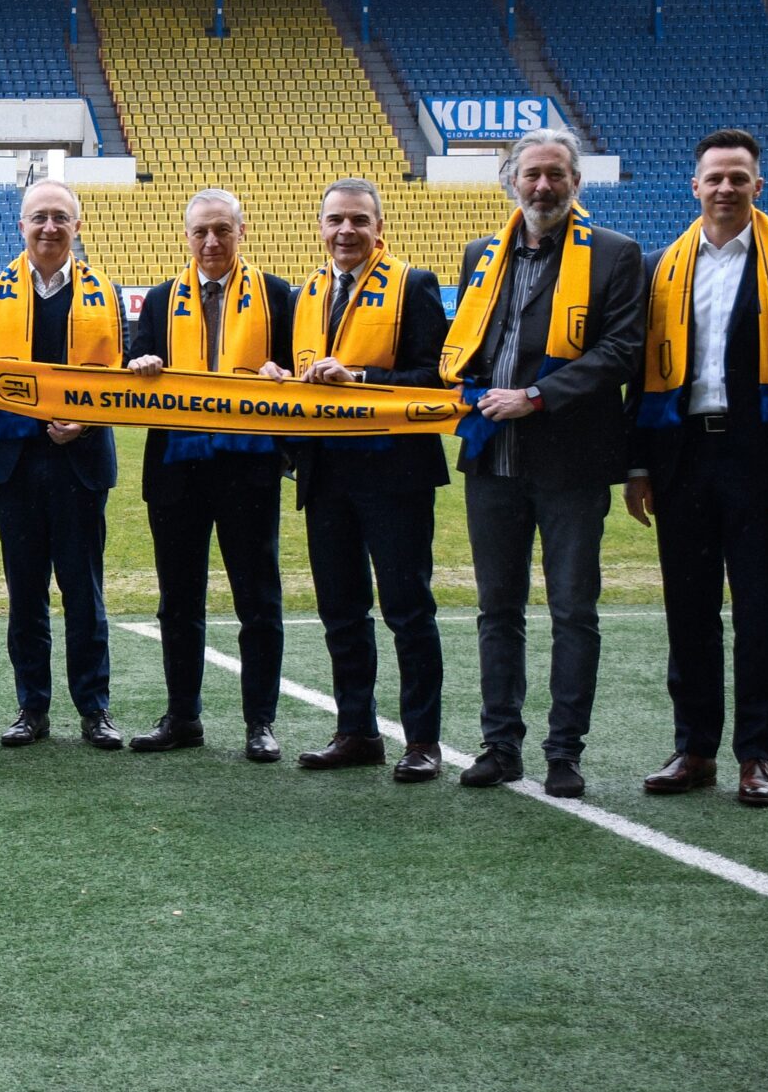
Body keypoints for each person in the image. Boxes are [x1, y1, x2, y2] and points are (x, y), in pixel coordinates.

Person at [626, 129, 768, 808]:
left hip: (760, 460)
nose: (725, 187)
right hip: (680, 457)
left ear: (757, 186)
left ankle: (756, 755)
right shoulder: (658, 266)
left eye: (738, 177)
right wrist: (637, 464)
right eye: (714, 177)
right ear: (695, 186)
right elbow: (638, 375)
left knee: (760, 613)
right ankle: (694, 750)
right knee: (688, 611)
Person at [441, 127, 644, 799]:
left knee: (572, 611)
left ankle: (564, 752)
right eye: (531, 174)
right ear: (511, 182)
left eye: (556, 174)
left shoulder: (615, 253)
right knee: (497, 611)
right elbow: (470, 345)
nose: (543, 185)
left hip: (571, 464)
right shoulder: (482, 253)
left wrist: (535, 397)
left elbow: (621, 351)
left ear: (575, 183)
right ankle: (500, 746)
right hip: (492, 460)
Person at [287, 179, 452, 783]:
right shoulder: (308, 292)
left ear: (380, 227)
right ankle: (356, 731)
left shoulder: (414, 284)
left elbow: (437, 380)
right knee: (341, 610)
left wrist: (358, 376)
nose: (346, 231)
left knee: (407, 609)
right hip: (326, 472)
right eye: (336, 220)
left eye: (358, 220)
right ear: (321, 227)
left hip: (394, 472)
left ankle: (423, 741)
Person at [0, 178, 125, 749]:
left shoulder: (106, 291)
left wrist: (87, 422)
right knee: (25, 594)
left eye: (60, 217)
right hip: (15, 462)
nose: (49, 227)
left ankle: (95, 709)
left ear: (78, 226)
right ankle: (32, 708)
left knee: (84, 593)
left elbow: (121, 379)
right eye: (39, 217)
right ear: (21, 225)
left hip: (80, 461)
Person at [126, 188, 296, 764]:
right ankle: (182, 717)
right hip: (177, 468)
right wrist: (140, 363)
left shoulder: (276, 294)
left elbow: (300, 371)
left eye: (222, 229)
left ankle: (260, 722)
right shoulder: (159, 299)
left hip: (250, 467)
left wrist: (282, 372)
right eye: (200, 231)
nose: (211, 241)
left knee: (258, 599)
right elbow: (133, 367)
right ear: (186, 236)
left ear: (242, 232)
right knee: (178, 600)